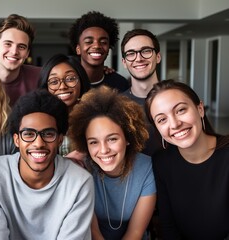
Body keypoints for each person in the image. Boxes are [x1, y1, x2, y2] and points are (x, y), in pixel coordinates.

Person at [0, 89, 94, 239]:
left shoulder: (80, 182)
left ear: (60, 140)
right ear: (16, 140)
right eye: (29, 134)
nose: (38, 143)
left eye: (48, 134)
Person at [144, 79, 229, 239]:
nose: (175, 124)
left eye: (181, 110)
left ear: (200, 109)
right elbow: (168, 227)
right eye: (162, 119)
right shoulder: (161, 163)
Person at [69, 86, 156, 239]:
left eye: (112, 139)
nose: (103, 150)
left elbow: (135, 233)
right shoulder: (81, 168)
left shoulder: (146, 167)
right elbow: (94, 232)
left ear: (128, 137)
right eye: (94, 142)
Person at [37, 53, 90, 156]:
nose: (62, 86)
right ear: (45, 87)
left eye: (70, 79)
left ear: (81, 81)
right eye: (54, 81)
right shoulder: (39, 120)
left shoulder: (95, 117)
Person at [121, 28, 163, 156]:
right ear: (124, 62)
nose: (138, 58)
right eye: (131, 53)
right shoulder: (117, 105)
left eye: (146, 51)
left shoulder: (177, 97)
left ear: (158, 57)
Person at [68, 11, 130, 92]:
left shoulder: (120, 83)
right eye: (89, 42)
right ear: (78, 49)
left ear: (109, 49)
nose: (97, 46)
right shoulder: (68, 82)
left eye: (103, 42)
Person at [0, 14, 41, 106]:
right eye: (8, 44)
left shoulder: (40, 76)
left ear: (27, 53)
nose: (14, 52)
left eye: (21, 47)